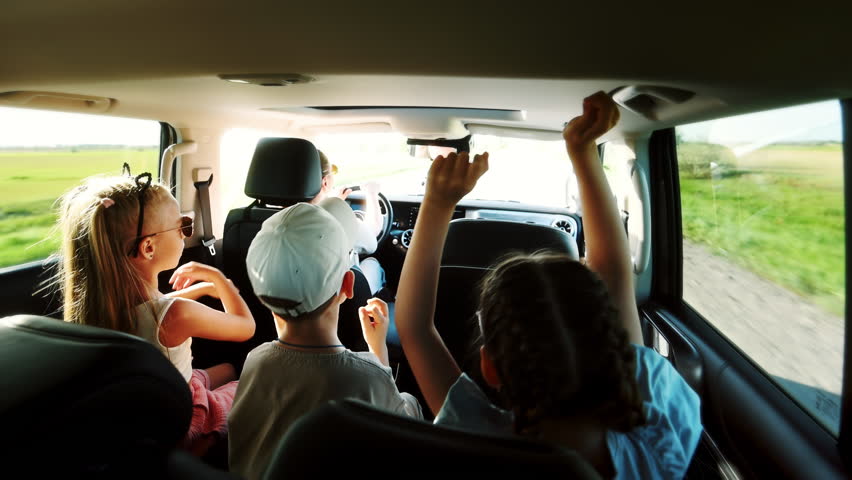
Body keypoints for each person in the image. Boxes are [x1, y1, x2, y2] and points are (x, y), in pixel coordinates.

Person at [394, 92, 702, 478]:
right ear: (616, 354)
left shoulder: (475, 439)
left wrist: (437, 204)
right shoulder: (653, 439)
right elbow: (613, 272)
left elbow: (413, 328)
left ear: (490, 367)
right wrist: (584, 151)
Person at [55, 172, 256, 455]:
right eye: (182, 227)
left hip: (144, 407)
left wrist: (198, 291)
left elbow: (155, 309)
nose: (186, 233)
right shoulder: (178, 315)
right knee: (254, 383)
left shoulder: (101, 304)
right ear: (148, 247)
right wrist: (221, 281)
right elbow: (245, 327)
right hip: (187, 421)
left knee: (228, 368)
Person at [228, 196, 423, 480]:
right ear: (348, 284)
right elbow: (404, 430)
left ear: (261, 292)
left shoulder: (255, 361)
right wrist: (377, 352)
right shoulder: (367, 378)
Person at [313, 150, 386, 295]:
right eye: (333, 171)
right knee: (372, 264)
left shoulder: (264, 218)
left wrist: (334, 203)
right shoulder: (334, 217)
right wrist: (371, 194)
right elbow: (372, 240)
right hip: (341, 303)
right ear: (325, 181)